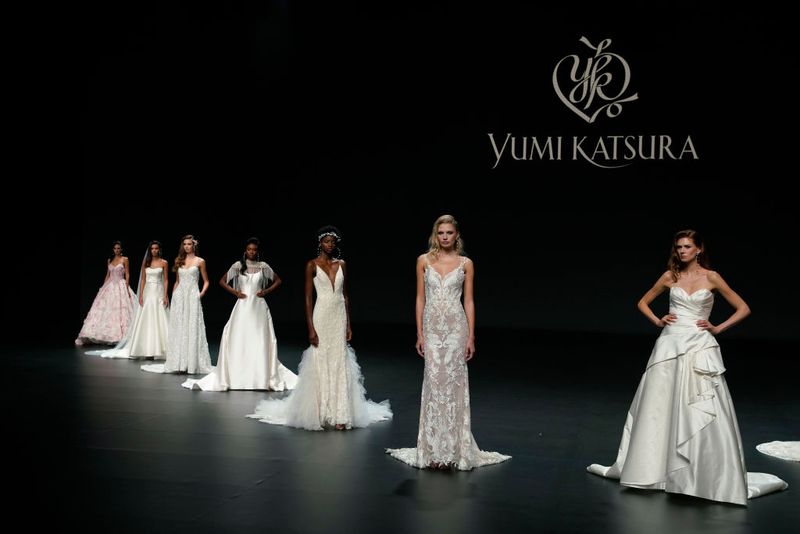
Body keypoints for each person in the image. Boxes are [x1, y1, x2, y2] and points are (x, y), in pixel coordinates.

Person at [587, 229, 788, 504]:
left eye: (687, 247)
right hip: (670, 344)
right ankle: (654, 468)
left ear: (698, 250)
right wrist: (658, 320)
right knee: (660, 404)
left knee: (698, 404)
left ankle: (700, 472)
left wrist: (718, 328)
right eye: (678, 247)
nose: (681, 251)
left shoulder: (712, 277)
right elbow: (642, 302)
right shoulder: (671, 276)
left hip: (699, 345)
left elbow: (743, 308)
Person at [386, 215, 510, 470]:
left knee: (453, 385)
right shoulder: (423, 261)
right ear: (435, 235)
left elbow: (469, 301)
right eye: (441, 232)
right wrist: (420, 333)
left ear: (456, 235)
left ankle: (453, 451)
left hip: (456, 329)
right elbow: (420, 298)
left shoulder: (466, 264)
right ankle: (432, 451)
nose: (445, 237)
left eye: (449, 233)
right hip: (432, 328)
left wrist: (471, 336)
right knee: (433, 383)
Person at [247, 226, 392, 430]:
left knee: (339, 361)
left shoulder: (342, 264)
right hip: (321, 315)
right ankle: (321, 411)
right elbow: (307, 298)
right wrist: (311, 328)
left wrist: (349, 323)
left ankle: (341, 413)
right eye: (326, 241)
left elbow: (345, 295)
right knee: (321, 359)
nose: (330, 245)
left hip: (339, 315)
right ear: (320, 243)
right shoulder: (311, 265)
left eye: (333, 242)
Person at [183, 237, 298, 391]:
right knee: (239, 337)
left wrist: (266, 291)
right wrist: (235, 292)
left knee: (260, 338)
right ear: (245, 251)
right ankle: (239, 373)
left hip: (258, 307)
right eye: (249, 249)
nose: (252, 252)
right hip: (243, 306)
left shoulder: (263, 266)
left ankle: (260, 374)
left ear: (257, 252)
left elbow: (278, 280)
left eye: (254, 250)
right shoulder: (238, 266)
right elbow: (222, 281)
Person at [142, 235, 212, 375]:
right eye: (185, 244)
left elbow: (206, 281)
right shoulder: (179, 260)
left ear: (194, 246)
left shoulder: (200, 261)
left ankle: (191, 363)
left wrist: (201, 293)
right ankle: (178, 362)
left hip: (193, 296)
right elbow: (177, 281)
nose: (187, 246)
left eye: (189, 244)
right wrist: (172, 296)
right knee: (179, 327)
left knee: (192, 326)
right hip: (179, 296)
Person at [89, 240, 170, 359]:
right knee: (146, 319)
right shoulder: (146, 263)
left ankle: (161, 349)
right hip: (148, 292)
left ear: (159, 249)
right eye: (152, 248)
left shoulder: (164, 263)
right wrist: (141, 295)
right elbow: (143, 279)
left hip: (158, 291)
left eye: (156, 248)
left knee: (160, 318)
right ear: (150, 250)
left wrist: (165, 294)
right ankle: (146, 348)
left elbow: (166, 280)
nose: (154, 250)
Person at [75, 241, 136, 346]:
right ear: (113, 250)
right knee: (105, 311)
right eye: (115, 248)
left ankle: (120, 336)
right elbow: (108, 275)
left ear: (121, 249)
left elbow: (128, 274)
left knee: (120, 311)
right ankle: (105, 335)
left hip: (121, 285)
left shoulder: (125, 259)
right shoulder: (110, 260)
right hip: (110, 285)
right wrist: (103, 288)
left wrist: (126, 287)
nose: (116, 250)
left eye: (118, 248)